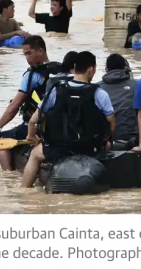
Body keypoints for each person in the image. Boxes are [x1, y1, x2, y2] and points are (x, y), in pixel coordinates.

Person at [23, 52, 114, 187]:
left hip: (58, 148)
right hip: (90, 148)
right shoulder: (99, 93)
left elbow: (33, 120)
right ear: (91, 69)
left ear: (75, 67)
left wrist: (32, 136)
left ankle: (24, 189)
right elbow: (111, 124)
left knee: (35, 155)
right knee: (108, 145)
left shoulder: (56, 90)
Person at [0, 36, 52, 170]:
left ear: (40, 51)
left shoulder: (31, 76)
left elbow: (14, 107)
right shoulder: (60, 71)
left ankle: (8, 176)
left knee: (2, 139)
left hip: (35, 127)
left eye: (29, 53)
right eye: (25, 55)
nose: (27, 58)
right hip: (57, 126)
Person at [97, 54, 137, 148]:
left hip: (107, 141)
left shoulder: (96, 88)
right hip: (132, 138)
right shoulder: (138, 85)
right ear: (125, 68)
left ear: (106, 69)